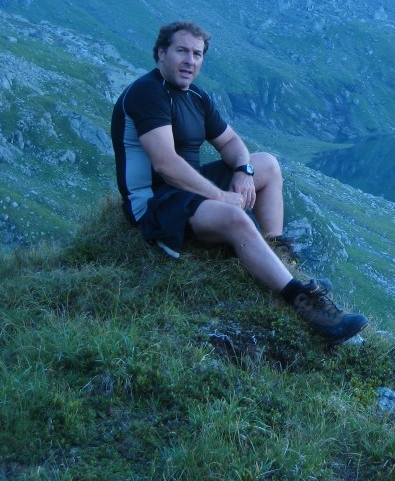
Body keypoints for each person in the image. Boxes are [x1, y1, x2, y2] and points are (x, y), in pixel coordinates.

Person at [110, 20, 368, 344]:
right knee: (234, 216)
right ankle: (304, 303)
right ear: (161, 53)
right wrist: (220, 195)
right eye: (182, 51)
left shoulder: (195, 97)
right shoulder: (148, 93)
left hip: (189, 189)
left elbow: (232, 143)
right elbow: (166, 164)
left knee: (268, 166)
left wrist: (243, 171)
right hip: (155, 201)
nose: (191, 61)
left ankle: (275, 251)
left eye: (197, 53)